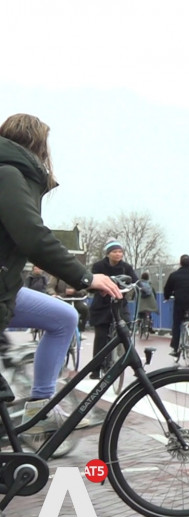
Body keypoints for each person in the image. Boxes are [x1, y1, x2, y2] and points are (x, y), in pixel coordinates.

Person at [0, 113, 122, 421]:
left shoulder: (14, 174)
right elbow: (33, 236)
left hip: (7, 288)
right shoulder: (9, 174)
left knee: (63, 317)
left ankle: (41, 410)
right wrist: (84, 276)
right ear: (39, 146)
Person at [89, 239, 138, 376]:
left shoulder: (126, 267)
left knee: (127, 329)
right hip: (102, 304)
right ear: (108, 254)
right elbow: (92, 283)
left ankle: (133, 363)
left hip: (119, 303)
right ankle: (96, 368)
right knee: (101, 335)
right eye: (115, 252)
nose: (118, 254)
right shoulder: (98, 266)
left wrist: (138, 287)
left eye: (120, 252)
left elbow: (135, 281)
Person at [162, 254, 189, 358]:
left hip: (180, 303)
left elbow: (167, 288)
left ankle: (175, 348)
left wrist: (167, 297)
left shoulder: (174, 275)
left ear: (180, 263)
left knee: (176, 324)